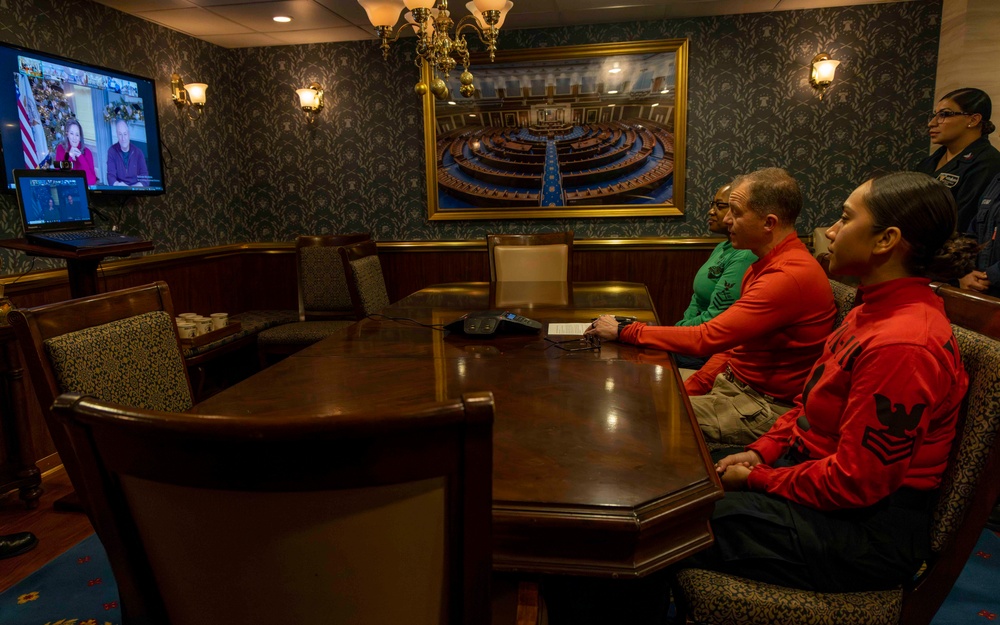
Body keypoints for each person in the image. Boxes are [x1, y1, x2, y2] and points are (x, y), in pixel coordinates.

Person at [688, 171, 975, 593]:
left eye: (844, 218)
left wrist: (758, 478)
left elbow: (857, 483)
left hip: (865, 529)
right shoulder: (868, 310)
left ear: (886, 240)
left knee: (668, 524)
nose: (831, 232)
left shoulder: (904, 344)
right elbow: (807, 407)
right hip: (815, 477)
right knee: (683, 475)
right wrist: (761, 450)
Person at [588, 168, 836, 446]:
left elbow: (707, 337)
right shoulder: (764, 262)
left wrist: (627, 331)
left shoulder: (787, 275)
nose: (728, 219)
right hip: (734, 389)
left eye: (736, 212)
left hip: (764, 408)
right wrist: (691, 387)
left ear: (769, 223)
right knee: (627, 392)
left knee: (630, 412)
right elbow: (732, 347)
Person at [673, 182, 757, 369]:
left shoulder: (744, 254)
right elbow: (697, 298)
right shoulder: (723, 247)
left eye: (720, 206)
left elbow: (718, 317)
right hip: (693, 335)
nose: (711, 212)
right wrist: (681, 327)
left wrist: (675, 332)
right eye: (713, 205)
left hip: (711, 348)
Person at [915, 87, 1000, 233]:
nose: (932, 123)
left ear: (973, 120)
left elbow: (962, 223)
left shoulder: (988, 163)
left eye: (945, 114)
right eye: (934, 115)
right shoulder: (929, 162)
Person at [959, 171, 1000, 296]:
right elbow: (974, 232)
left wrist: (991, 276)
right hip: (982, 295)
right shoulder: (997, 179)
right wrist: (965, 271)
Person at [54, 119, 97, 186]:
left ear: (80, 137)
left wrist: (81, 157)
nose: (74, 138)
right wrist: (69, 157)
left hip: (83, 190)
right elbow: (60, 179)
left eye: (77, 135)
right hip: (66, 191)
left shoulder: (88, 152)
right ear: (67, 134)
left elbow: (91, 181)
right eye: (71, 133)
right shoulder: (60, 149)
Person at [106, 119, 148, 187]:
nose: (123, 138)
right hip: (120, 189)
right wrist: (118, 185)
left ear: (129, 134)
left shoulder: (138, 152)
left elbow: (145, 178)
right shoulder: (111, 151)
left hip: (136, 189)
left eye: (125, 134)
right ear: (117, 135)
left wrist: (131, 189)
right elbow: (110, 176)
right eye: (120, 134)